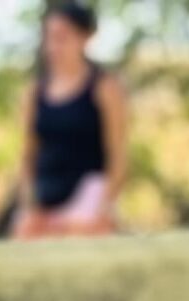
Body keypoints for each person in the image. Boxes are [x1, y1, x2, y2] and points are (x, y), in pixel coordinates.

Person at [13, 1, 129, 239]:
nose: (54, 46)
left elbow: (118, 158)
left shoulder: (105, 88)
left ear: (85, 38)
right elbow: (27, 157)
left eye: (62, 37)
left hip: (90, 197)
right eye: (50, 37)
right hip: (45, 199)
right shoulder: (34, 93)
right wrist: (29, 207)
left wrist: (103, 209)